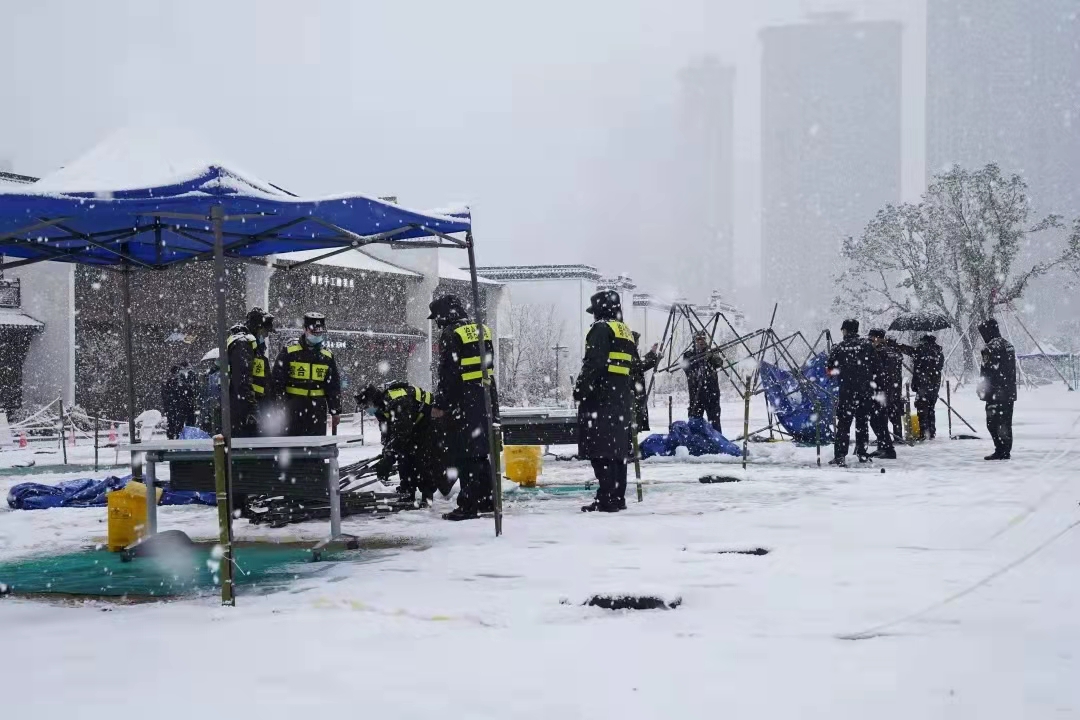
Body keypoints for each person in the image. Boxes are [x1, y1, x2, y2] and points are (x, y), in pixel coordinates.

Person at [428, 295, 500, 521]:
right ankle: (487, 499)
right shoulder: (481, 328)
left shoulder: (451, 333)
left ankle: (468, 505)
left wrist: (441, 404)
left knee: (465, 454)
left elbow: (448, 373)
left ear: (443, 315)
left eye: (437, 318)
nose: (437, 323)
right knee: (481, 453)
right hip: (486, 397)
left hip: (464, 401)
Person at [574, 290, 639, 512]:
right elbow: (634, 368)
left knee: (600, 451)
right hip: (620, 399)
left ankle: (607, 498)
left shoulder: (601, 328)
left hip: (601, 399)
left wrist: (580, 390)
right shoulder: (625, 331)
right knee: (617, 452)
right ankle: (617, 497)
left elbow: (594, 363)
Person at [357, 382, 448, 505]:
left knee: (421, 458)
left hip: (429, 420)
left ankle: (427, 494)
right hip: (414, 423)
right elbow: (387, 433)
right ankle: (407, 490)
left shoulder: (397, 401)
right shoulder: (380, 408)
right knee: (403, 455)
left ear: (372, 399)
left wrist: (390, 457)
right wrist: (386, 453)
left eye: (366, 406)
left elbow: (401, 433)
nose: (366, 410)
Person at [271, 312, 341, 437]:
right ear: (304, 329)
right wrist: (280, 405)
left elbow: (333, 386)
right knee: (293, 445)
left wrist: (335, 411)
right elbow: (277, 381)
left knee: (316, 446)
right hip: (293, 409)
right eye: (314, 331)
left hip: (317, 410)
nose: (317, 335)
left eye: (320, 332)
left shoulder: (327, 356)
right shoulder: (290, 351)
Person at [829, 319, 875, 466]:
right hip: (865, 391)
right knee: (862, 423)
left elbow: (830, 370)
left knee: (844, 424)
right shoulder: (867, 346)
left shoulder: (838, 348)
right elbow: (876, 367)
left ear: (845, 330)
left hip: (847, 391)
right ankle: (862, 453)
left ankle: (840, 455)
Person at [977, 318, 1016, 460]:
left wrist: (982, 389)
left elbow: (986, 373)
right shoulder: (1009, 345)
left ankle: (1000, 449)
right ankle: (1006, 450)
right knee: (1006, 423)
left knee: (992, 423)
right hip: (1009, 392)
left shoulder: (989, 348)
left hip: (995, 394)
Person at [897, 334, 945, 440]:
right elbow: (939, 367)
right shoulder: (939, 352)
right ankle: (931, 432)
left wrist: (898, 346)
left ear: (925, 341)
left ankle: (923, 433)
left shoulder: (921, 350)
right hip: (935, 385)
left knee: (922, 409)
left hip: (923, 384)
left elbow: (910, 350)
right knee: (931, 408)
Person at [225, 309, 263, 438]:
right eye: (264, 332)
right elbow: (242, 380)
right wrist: (252, 408)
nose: (265, 336)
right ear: (257, 328)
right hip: (243, 410)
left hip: (240, 406)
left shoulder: (244, 343)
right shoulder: (243, 344)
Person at [680, 331, 725, 434]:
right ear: (694, 341)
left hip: (711, 392)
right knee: (695, 420)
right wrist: (698, 363)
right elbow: (686, 369)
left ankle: (716, 440)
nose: (701, 341)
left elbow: (719, 363)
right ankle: (696, 440)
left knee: (714, 420)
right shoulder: (689, 354)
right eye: (698, 339)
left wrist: (711, 357)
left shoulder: (712, 352)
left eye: (703, 339)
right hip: (696, 392)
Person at [630, 331, 660, 433]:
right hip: (634, 389)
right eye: (637, 340)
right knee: (636, 414)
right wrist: (654, 359)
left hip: (636, 389)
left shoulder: (632, 351)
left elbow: (640, 362)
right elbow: (639, 365)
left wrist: (652, 353)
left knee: (638, 412)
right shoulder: (629, 351)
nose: (638, 343)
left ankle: (637, 430)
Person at [161, 364, 196, 439]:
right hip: (178, 406)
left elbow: (165, 395)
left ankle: (173, 436)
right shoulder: (179, 382)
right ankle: (177, 436)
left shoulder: (169, 381)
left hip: (173, 406)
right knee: (178, 423)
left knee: (173, 423)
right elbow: (186, 392)